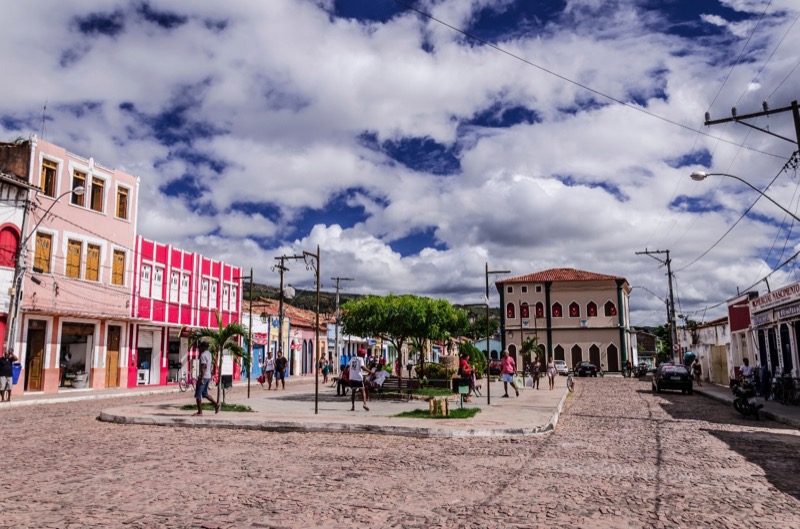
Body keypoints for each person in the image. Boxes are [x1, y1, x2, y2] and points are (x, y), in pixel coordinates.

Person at [194, 342, 220, 415]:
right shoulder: (209, 354)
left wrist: (201, 378)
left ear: (203, 347)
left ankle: (200, 412)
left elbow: (203, 367)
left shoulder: (203, 355)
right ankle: (216, 404)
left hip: (204, 376)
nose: (199, 349)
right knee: (205, 394)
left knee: (198, 395)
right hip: (208, 376)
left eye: (200, 347)